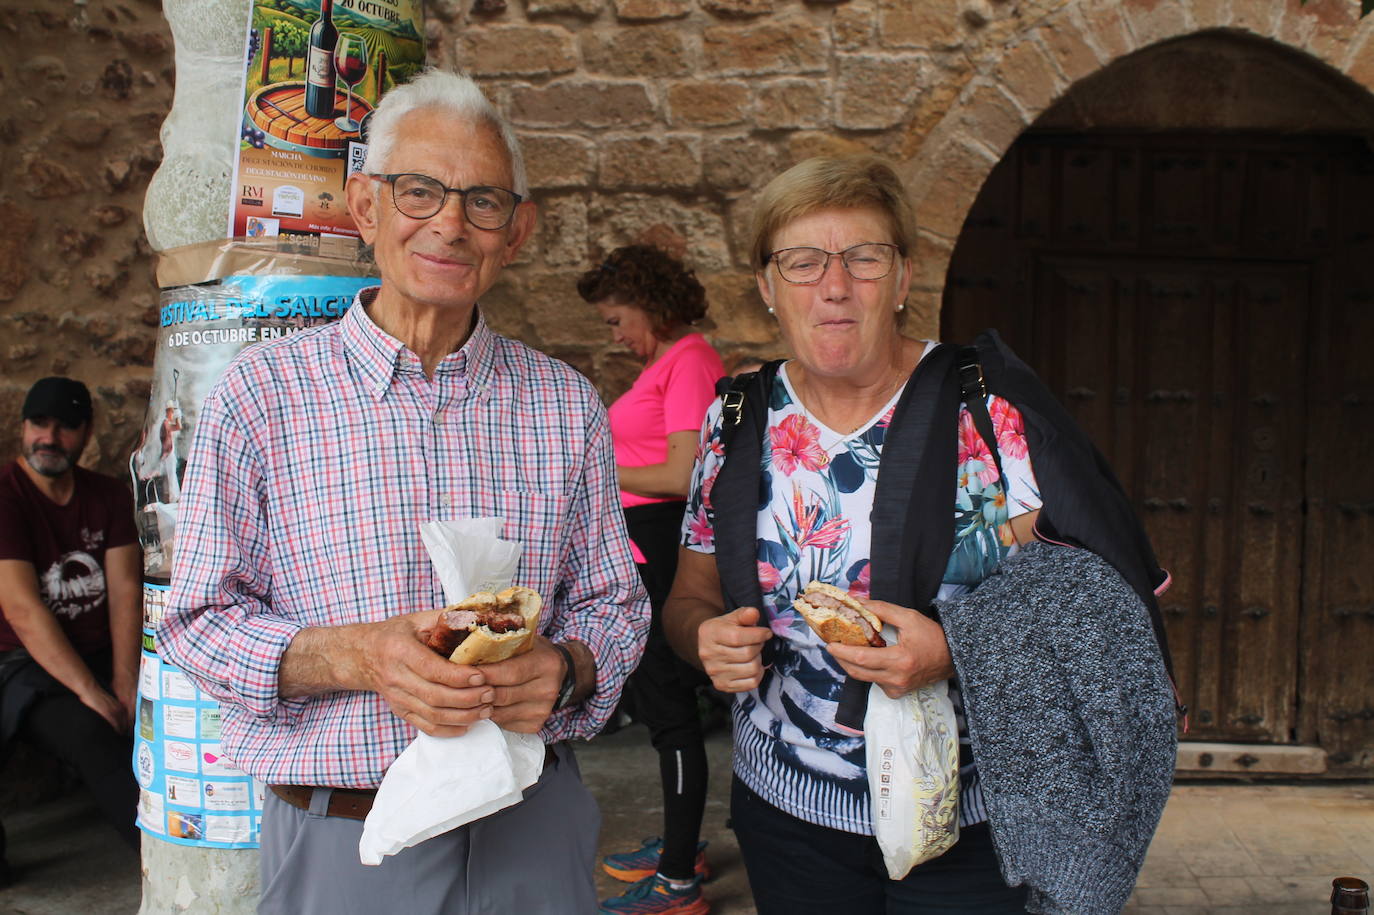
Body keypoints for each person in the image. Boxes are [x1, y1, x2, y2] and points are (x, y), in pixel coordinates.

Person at [156, 69, 650, 915]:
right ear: (365, 206)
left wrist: (566, 668)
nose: (450, 224)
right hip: (347, 840)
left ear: (517, 231)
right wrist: (360, 656)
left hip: (530, 829)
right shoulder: (263, 393)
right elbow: (197, 621)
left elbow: (617, 602)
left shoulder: (564, 402)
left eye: (482, 200)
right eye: (418, 190)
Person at [662, 156, 1176, 914]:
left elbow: (1095, 608)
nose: (834, 285)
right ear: (769, 288)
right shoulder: (734, 421)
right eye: (803, 261)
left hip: (973, 825)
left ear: (902, 279)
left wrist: (953, 649)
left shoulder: (986, 415)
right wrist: (703, 635)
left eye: (864, 258)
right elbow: (689, 594)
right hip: (789, 819)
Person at [576, 246, 724, 915]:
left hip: (663, 547)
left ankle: (678, 885)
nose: (615, 335)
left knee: (667, 710)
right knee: (659, 701)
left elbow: (686, 473)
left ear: (650, 303)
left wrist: (597, 468)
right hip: (642, 545)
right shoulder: (665, 365)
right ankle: (682, 844)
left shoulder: (690, 359)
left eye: (616, 320)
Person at [0, 377, 142, 886]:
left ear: (87, 433)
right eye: (39, 424)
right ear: (23, 428)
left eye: (65, 427)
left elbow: (127, 590)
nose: (49, 437)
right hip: (24, 666)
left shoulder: (105, 495)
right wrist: (92, 694)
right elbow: (21, 609)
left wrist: (127, 684)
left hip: (100, 652)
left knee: (162, 707)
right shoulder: (7, 497)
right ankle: (157, 855)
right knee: (92, 731)